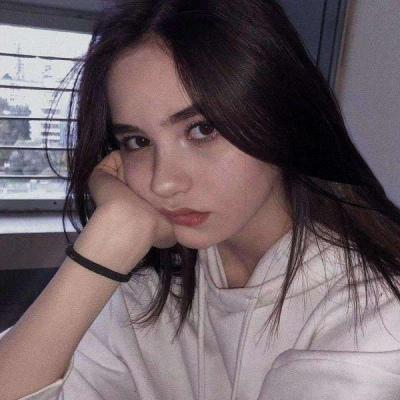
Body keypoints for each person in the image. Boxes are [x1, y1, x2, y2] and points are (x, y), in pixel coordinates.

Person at [1, 1, 400, 399]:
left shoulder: (379, 312)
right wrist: (112, 235)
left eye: (202, 129)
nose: (163, 183)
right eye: (137, 141)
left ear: (280, 117)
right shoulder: (150, 294)